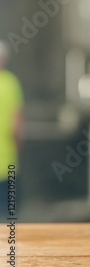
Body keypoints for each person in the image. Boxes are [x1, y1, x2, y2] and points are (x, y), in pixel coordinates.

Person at [0, 41, 23, 219]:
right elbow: (17, 124)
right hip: (6, 160)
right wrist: (19, 147)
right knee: (8, 214)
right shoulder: (10, 82)